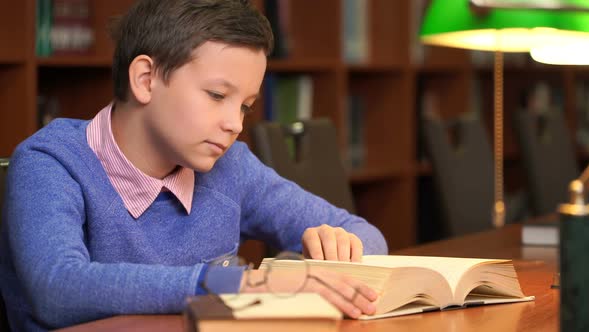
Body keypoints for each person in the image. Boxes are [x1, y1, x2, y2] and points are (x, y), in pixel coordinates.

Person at [0, 0, 388, 330]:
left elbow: (365, 233)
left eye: (245, 107)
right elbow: (58, 287)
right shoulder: (49, 163)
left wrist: (339, 247)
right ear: (146, 79)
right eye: (217, 95)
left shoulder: (230, 165)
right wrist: (234, 283)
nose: (235, 123)